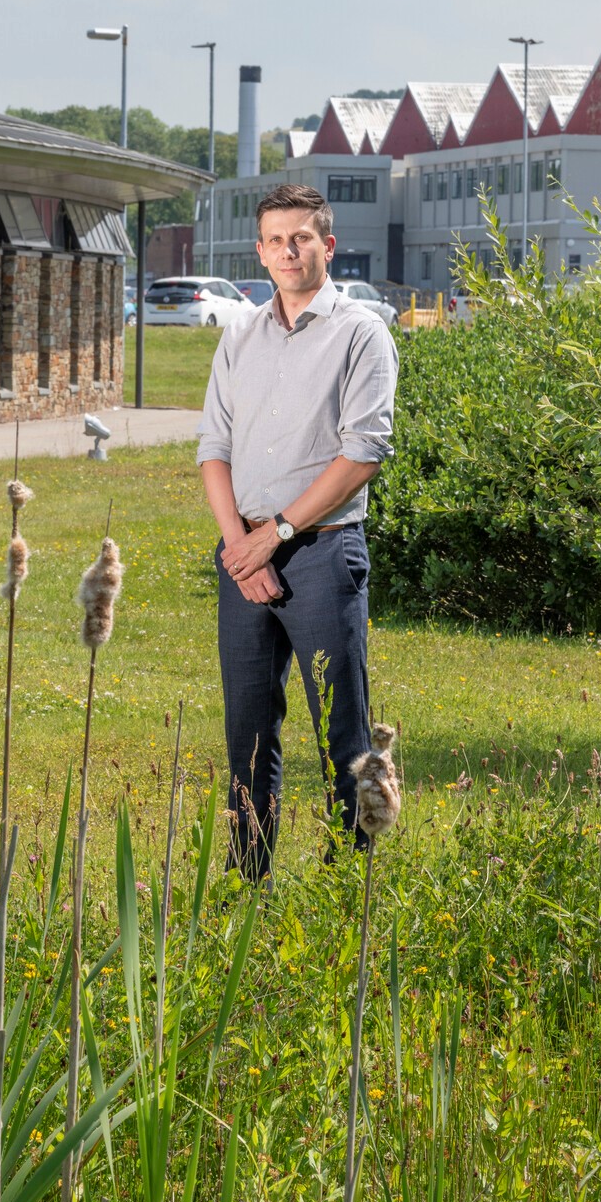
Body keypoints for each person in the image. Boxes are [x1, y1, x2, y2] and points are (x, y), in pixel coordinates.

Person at [196, 183, 398, 881]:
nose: (287, 250)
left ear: (327, 245)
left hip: (321, 554)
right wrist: (240, 546)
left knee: (340, 730)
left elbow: (362, 454)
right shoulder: (240, 335)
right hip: (242, 555)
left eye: (301, 238)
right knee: (247, 735)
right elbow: (212, 447)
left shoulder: (360, 333)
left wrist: (277, 532)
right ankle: (248, 883)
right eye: (275, 239)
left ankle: (351, 887)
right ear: (259, 250)